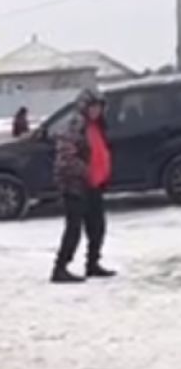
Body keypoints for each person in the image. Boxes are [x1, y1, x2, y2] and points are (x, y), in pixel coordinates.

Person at [52, 88, 116, 284]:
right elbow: (66, 155)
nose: (96, 111)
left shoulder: (97, 126)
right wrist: (84, 172)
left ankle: (92, 263)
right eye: (93, 107)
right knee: (74, 228)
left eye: (99, 107)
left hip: (94, 184)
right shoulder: (75, 125)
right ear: (84, 107)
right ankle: (60, 268)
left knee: (97, 226)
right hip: (76, 184)